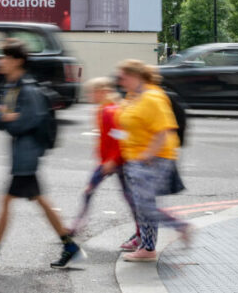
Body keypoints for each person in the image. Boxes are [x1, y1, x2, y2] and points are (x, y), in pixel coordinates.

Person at [0, 40, 83, 272]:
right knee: (38, 200)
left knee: (8, 201)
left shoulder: (27, 90)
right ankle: (70, 247)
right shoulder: (10, 87)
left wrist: (8, 118)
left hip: (27, 155)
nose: (0, 61)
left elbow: (27, 121)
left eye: (5, 57)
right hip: (21, 153)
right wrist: (7, 117)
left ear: (17, 61)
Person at [116, 60, 192, 262]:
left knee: (145, 205)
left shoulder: (152, 97)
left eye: (122, 77)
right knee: (142, 204)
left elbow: (164, 131)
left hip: (155, 159)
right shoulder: (133, 96)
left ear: (135, 76)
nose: (119, 81)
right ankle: (147, 246)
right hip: (135, 159)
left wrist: (148, 155)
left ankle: (154, 245)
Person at [68, 77, 139, 246]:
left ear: (101, 92)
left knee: (128, 198)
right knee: (123, 196)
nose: (88, 95)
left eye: (90, 92)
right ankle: (78, 225)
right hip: (110, 161)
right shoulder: (103, 109)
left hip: (116, 162)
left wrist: (111, 161)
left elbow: (119, 138)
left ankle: (141, 233)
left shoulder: (110, 111)